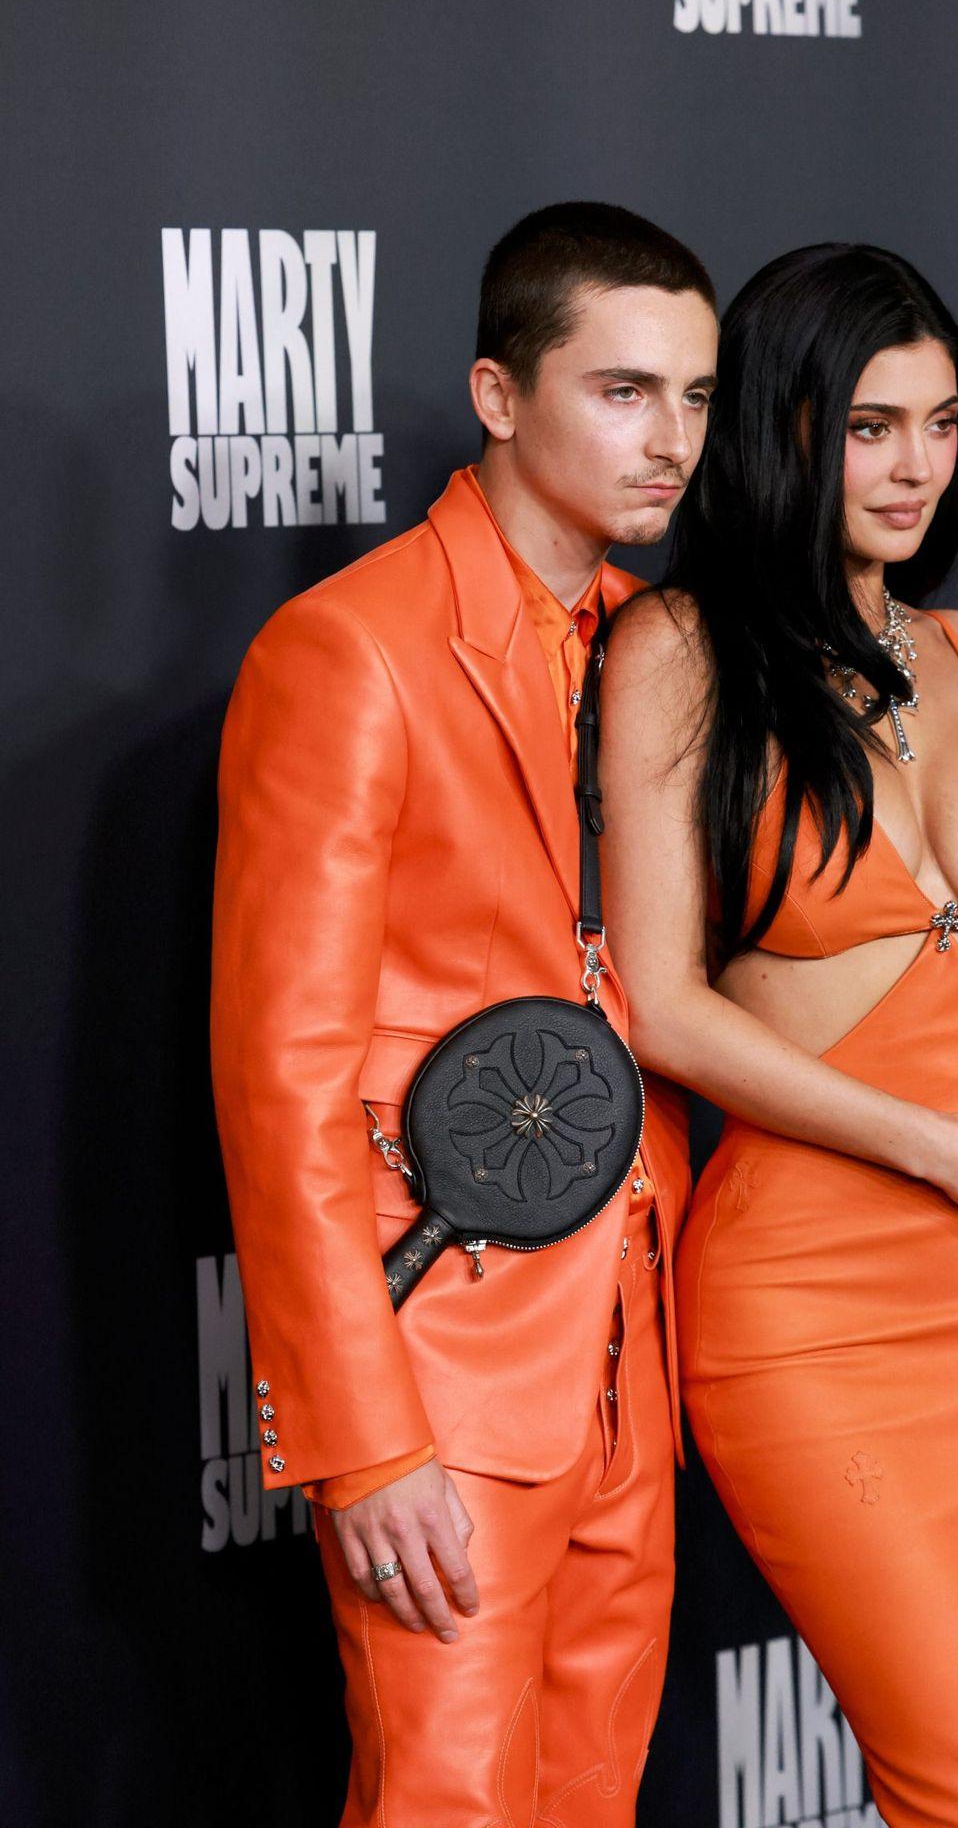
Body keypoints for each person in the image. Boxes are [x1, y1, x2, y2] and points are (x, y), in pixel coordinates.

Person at [598, 242, 958, 1827]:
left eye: (941, 423)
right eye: (868, 427)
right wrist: (938, 1149)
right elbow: (660, 1004)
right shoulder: (677, 653)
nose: (916, 466)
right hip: (824, 1310)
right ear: (780, 427)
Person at [209, 202, 718, 1826]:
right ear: (498, 396)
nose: (671, 440)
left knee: (592, 1796)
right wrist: (363, 1441)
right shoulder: (348, 651)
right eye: (623, 392)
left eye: (695, 396)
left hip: (634, 1342)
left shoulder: (658, 647)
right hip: (446, 1349)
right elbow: (281, 1076)